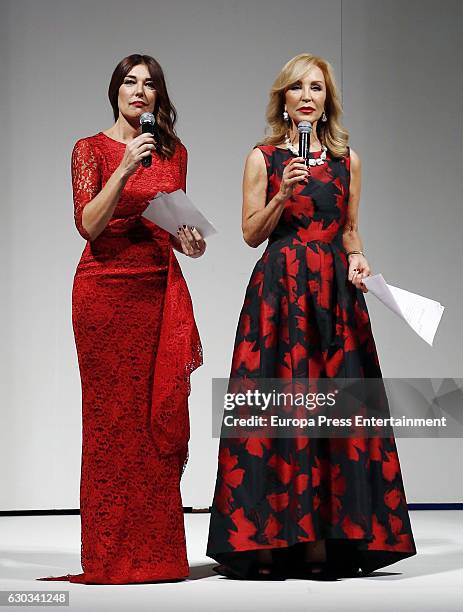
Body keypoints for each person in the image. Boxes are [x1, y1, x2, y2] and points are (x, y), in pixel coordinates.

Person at [206, 53, 417, 580]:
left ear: (327, 102)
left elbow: (348, 229)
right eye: (297, 87)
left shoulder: (349, 161)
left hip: (335, 300)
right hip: (279, 296)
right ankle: (270, 542)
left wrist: (360, 255)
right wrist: (282, 193)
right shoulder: (263, 157)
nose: (306, 96)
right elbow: (251, 233)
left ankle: (324, 542)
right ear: (283, 99)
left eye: (316, 88)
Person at [37, 54, 205, 584]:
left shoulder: (174, 153)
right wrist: (128, 166)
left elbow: (172, 221)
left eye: (149, 84)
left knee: (156, 419)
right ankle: (109, 555)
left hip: (158, 290)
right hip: (104, 295)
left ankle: (158, 556)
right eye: (130, 83)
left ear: (158, 97)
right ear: (115, 92)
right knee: (110, 422)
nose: (140, 91)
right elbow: (88, 223)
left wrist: (189, 241)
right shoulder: (89, 149)